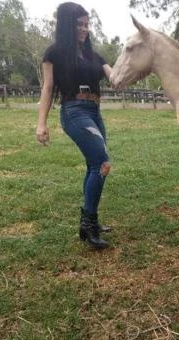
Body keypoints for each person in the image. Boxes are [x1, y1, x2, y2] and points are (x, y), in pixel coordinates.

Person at [36, 2, 112, 249]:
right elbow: (47, 88)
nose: (85, 29)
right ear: (67, 25)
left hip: (95, 112)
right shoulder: (54, 53)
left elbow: (116, 77)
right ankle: (88, 224)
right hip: (74, 112)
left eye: (87, 24)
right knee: (102, 162)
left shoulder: (94, 55)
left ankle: (90, 221)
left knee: (94, 165)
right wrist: (41, 124)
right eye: (79, 24)